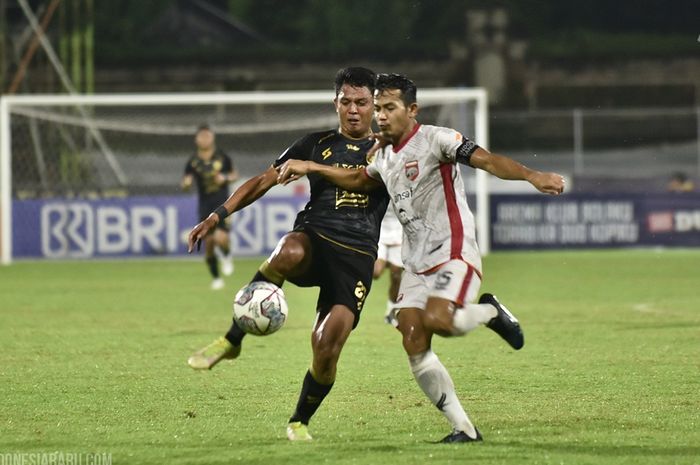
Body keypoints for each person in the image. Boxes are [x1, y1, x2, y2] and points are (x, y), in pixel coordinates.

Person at [277, 73, 565, 443]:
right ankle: (464, 429)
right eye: (377, 108)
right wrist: (313, 167)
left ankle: (491, 311)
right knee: (412, 336)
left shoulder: (437, 139)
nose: (380, 116)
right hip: (415, 259)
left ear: (412, 110)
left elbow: (488, 161)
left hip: (452, 249)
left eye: (389, 108)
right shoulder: (381, 155)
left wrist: (531, 175)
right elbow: (359, 180)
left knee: (439, 320)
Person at [186, 67, 389, 441]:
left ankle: (299, 421)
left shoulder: (387, 148)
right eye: (347, 102)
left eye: (362, 102)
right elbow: (264, 180)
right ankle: (232, 340)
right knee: (287, 250)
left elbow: (365, 179)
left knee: (327, 348)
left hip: (356, 257)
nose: (354, 110)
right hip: (315, 238)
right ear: (335, 104)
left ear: (375, 106)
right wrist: (218, 215)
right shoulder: (315, 142)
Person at [182, 125, 238, 290]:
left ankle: (227, 256)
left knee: (221, 237)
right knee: (209, 243)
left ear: (212, 138)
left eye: (207, 136)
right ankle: (216, 278)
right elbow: (185, 182)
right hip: (204, 206)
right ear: (196, 139)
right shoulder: (192, 161)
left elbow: (234, 175)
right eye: (202, 136)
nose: (205, 139)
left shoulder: (222, 157)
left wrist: (225, 177)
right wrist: (186, 184)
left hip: (223, 204)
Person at [373, 206, 404, 324]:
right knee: (376, 273)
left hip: (398, 232)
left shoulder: (402, 189)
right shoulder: (377, 187)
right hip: (380, 232)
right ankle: (385, 262)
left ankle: (391, 309)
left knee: (396, 276)